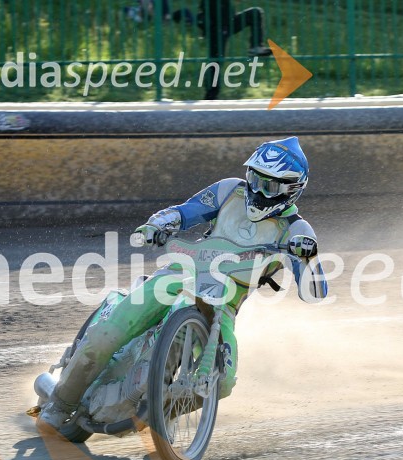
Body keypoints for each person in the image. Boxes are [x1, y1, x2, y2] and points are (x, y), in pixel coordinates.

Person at [37, 137, 327, 431]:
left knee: (223, 383)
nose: (258, 191)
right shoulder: (229, 191)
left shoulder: (297, 230)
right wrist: (158, 224)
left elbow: (315, 295)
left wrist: (308, 256)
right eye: (255, 179)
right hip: (177, 276)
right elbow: (185, 211)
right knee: (107, 334)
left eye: (271, 186)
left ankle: (162, 410)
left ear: (291, 190)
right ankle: (59, 405)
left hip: (222, 307)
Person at [198, 0, 273, 100]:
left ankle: (255, 46)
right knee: (216, 61)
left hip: (230, 20)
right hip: (215, 26)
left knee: (255, 13)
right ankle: (211, 95)